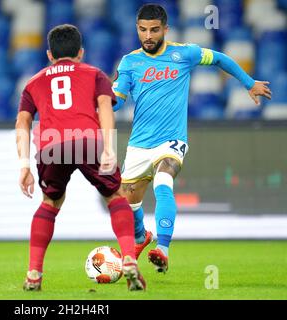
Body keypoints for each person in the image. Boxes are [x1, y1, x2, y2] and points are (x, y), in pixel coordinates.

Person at [113, 4, 272, 273]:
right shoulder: (130, 62)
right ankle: (142, 239)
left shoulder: (184, 53)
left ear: (165, 29)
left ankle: (162, 248)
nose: (148, 36)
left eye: (154, 30)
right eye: (142, 30)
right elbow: (118, 100)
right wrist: (100, 104)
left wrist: (248, 83)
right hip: (139, 142)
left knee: (163, 180)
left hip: (172, 139)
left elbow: (221, 58)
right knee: (128, 201)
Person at [16, 24, 146, 291]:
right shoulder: (95, 74)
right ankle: (130, 259)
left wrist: (24, 165)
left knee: (51, 202)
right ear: (81, 52)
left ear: (50, 54)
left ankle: (33, 274)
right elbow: (105, 108)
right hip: (88, 140)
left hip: (51, 145)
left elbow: (23, 121)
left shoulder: (33, 82)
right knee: (116, 196)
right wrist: (109, 147)